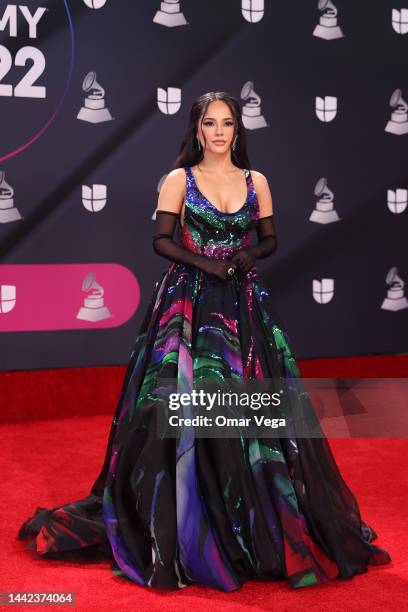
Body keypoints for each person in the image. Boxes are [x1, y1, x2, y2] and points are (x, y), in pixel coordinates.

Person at [17, 91, 392, 591]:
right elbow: (162, 241)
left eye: (227, 123)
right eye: (210, 123)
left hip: (244, 304)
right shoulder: (180, 180)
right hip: (188, 305)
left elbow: (270, 238)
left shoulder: (256, 181)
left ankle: (249, 524)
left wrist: (248, 257)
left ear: (238, 130)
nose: (218, 132)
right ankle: (189, 524)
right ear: (197, 130)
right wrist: (208, 263)